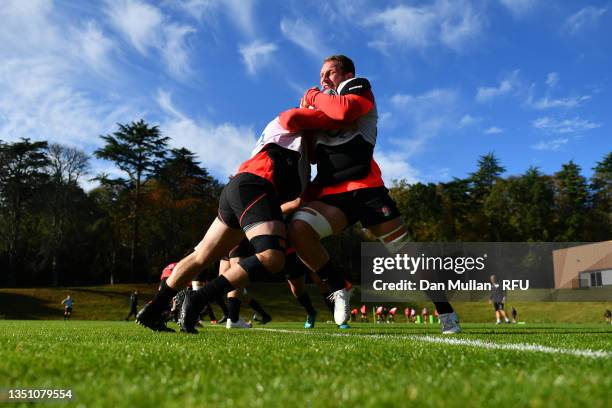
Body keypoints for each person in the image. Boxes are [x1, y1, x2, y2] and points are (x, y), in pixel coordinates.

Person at [286, 55, 461, 334]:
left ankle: (445, 311)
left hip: (366, 189)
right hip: (331, 193)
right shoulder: (324, 100)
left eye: (329, 72)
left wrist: (310, 96)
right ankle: (338, 286)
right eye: (320, 75)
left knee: (407, 257)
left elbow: (343, 112)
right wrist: (308, 111)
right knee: (298, 229)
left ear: (347, 73)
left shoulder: (358, 86)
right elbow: (303, 136)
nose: (322, 79)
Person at [137, 105, 345, 333]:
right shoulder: (291, 125)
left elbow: (296, 201)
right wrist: (331, 114)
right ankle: (197, 300)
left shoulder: (302, 158)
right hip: (255, 187)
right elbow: (294, 116)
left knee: (201, 256)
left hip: (242, 190)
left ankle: (153, 310)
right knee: (272, 258)